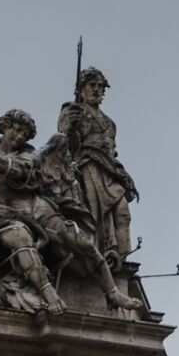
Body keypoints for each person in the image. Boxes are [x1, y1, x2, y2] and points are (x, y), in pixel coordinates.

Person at [0, 109, 142, 315]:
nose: (18, 137)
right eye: (16, 130)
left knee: (81, 240)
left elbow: (19, 169)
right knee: (20, 239)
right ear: (5, 126)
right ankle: (49, 294)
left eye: (24, 134)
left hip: (36, 208)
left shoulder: (29, 155)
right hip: (2, 218)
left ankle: (112, 291)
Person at [56, 67, 137, 270]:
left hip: (109, 171)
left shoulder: (110, 123)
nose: (97, 90)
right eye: (92, 85)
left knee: (123, 213)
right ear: (81, 88)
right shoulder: (72, 110)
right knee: (94, 215)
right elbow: (64, 141)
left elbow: (112, 151)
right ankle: (99, 256)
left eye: (101, 87)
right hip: (87, 167)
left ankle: (122, 259)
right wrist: (71, 125)